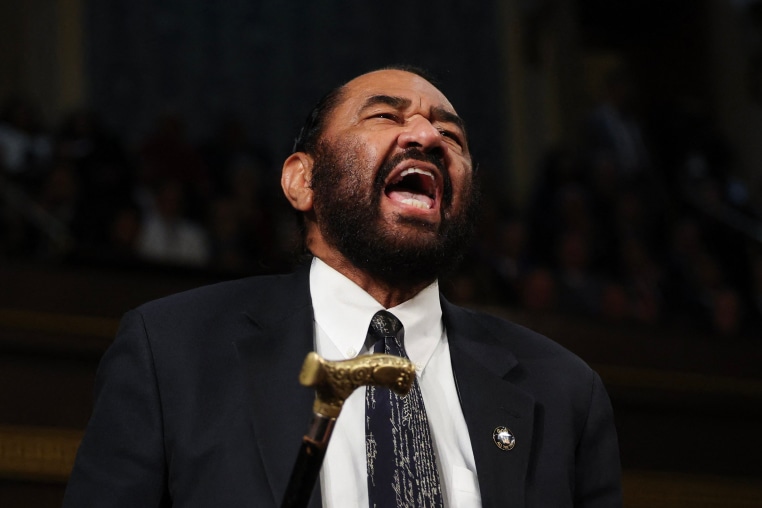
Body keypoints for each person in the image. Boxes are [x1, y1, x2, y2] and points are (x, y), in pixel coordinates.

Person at [63, 67, 622, 507]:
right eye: (385, 115)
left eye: (451, 134)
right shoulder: (172, 353)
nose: (428, 135)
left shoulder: (565, 390)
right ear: (302, 180)